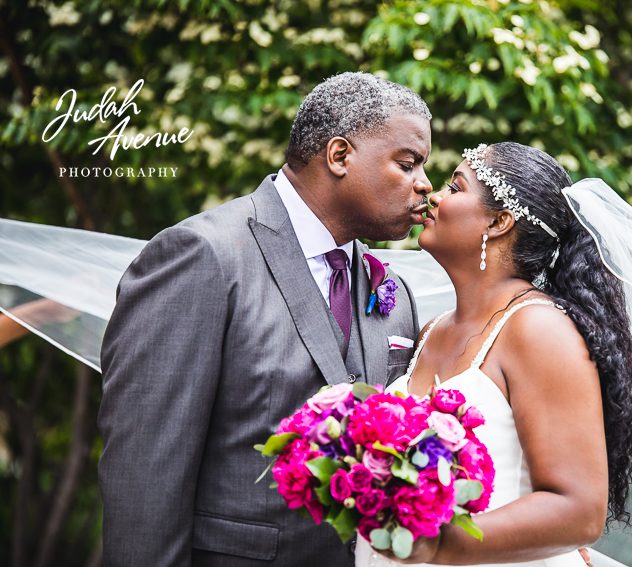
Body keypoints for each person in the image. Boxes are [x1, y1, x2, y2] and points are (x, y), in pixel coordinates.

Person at [98, 72, 432, 567]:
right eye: (407, 165)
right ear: (339, 156)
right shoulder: (203, 256)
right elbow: (146, 470)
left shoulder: (392, 290)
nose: (424, 185)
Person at [357, 142, 632, 567]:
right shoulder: (430, 331)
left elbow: (580, 512)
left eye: (456, 187)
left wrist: (438, 545)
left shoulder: (538, 329)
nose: (434, 194)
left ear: (498, 221)